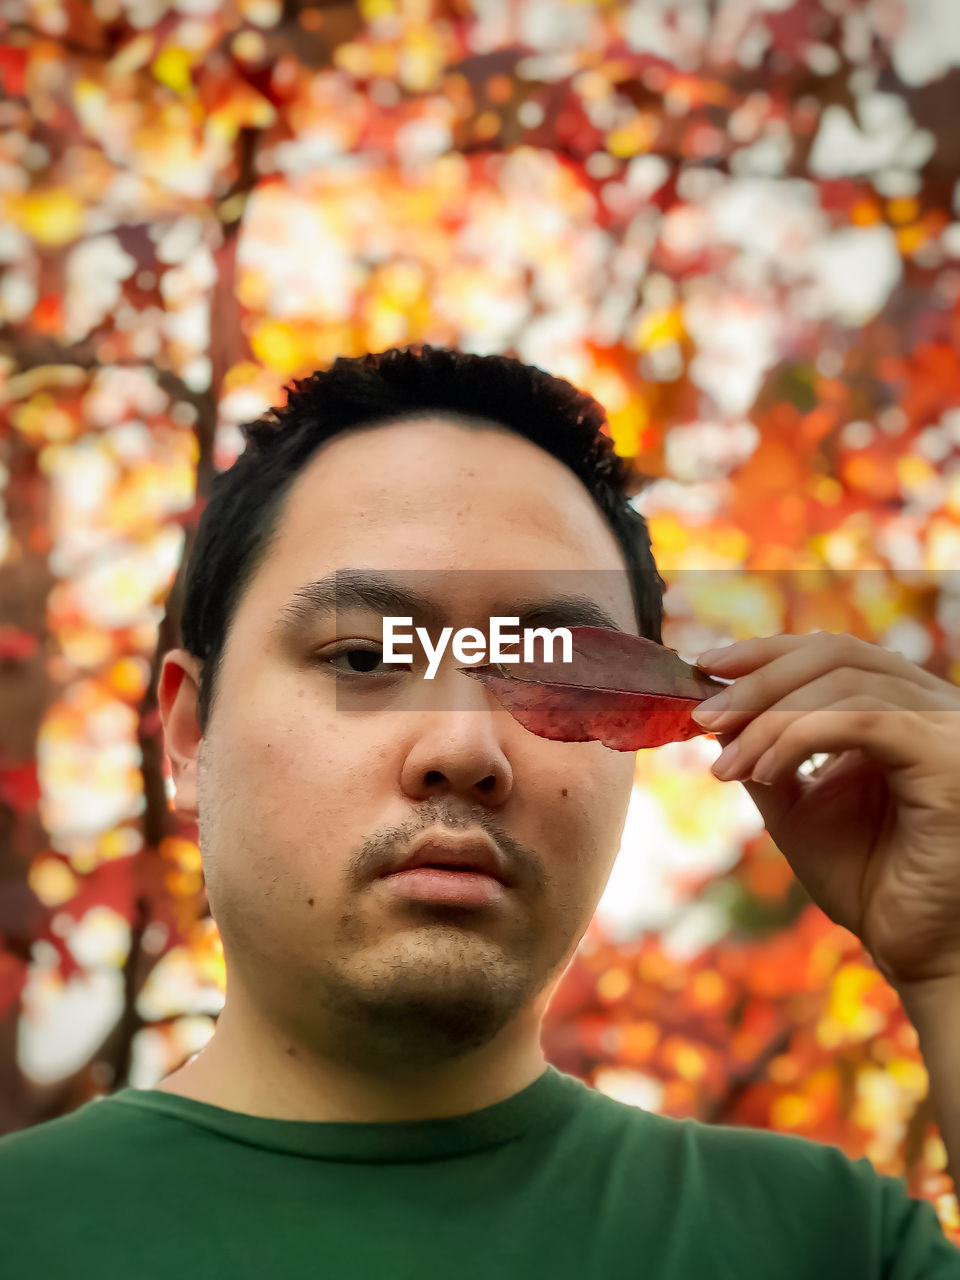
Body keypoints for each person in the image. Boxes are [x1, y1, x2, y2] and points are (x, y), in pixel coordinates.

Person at [1, 344, 958, 1277]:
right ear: (188, 734)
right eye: (365, 660)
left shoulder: (827, 1242)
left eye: (559, 677)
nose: (463, 750)